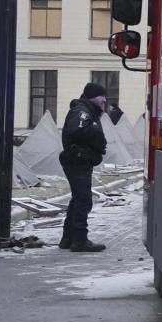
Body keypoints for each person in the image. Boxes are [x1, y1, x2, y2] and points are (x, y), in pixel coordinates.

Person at [59, 81, 110, 253]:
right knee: (83, 199)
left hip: (78, 159)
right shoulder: (82, 112)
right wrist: (95, 131)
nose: (104, 100)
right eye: (102, 97)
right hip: (77, 160)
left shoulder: (87, 110)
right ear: (94, 97)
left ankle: (68, 238)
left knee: (77, 199)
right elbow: (77, 131)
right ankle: (80, 240)